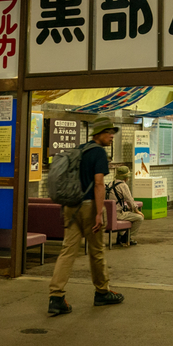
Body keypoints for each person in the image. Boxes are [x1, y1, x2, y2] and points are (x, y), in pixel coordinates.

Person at [47, 116, 125, 316]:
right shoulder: (98, 153)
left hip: (71, 207)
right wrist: (99, 213)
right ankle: (102, 292)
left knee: (67, 251)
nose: (112, 136)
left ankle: (56, 297)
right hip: (89, 207)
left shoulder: (80, 150)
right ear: (99, 133)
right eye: (109, 132)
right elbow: (99, 184)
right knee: (96, 251)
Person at [107, 165, 143, 246]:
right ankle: (126, 237)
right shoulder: (123, 185)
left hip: (107, 214)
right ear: (126, 177)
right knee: (139, 218)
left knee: (126, 212)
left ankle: (120, 236)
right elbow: (130, 200)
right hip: (117, 214)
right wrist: (136, 210)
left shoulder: (110, 184)